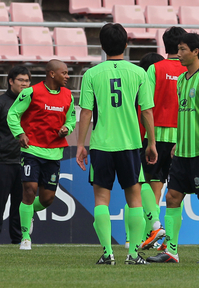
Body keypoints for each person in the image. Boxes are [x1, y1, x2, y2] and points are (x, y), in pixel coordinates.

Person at [76, 23, 157, 265]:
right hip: (131, 145)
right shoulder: (139, 73)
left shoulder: (91, 73)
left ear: (101, 46)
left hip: (101, 145)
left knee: (101, 200)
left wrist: (81, 144)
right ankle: (132, 255)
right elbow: (147, 112)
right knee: (135, 200)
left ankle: (107, 253)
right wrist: (151, 142)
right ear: (126, 45)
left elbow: (86, 113)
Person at [146, 32, 199, 264]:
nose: (178, 54)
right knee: (172, 197)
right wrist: (178, 144)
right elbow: (184, 116)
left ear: (195, 52)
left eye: (183, 50)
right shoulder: (182, 80)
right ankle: (171, 251)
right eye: (178, 49)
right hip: (182, 151)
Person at [7, 60, 76, 250]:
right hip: (32, 150)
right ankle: (26, 237)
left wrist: (66, 128)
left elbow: (71, 119)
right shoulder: (31, 92)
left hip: (53, 153)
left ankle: (27, 214)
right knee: (29, 190)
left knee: (47, 199)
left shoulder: (68, 95)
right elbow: (13, 114)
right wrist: (20, 134)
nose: (68, 76)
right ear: (52, 74)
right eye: (64, 73)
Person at [137, 27, 188, 251]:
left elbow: (145, 106)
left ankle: (154, 230)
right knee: (176, 194)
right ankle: (168, 243)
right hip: (183, 140)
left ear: (164, 44)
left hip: (154, 138)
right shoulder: (192, 72)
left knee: (150, 188)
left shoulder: (155, 69)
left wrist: (145, 139)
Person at [123, 51, 165, 250]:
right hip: (150, 142)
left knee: (136, 190)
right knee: (144, 190)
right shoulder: (149, 86)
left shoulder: (137, 85)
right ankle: (152, 233)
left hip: (135, 142)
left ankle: (134, 238)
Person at [0, 66, 31, 244]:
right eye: (21, 80)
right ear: (11, 81)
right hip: (3, 161)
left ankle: (18, 240)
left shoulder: (31, 103)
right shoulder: (2, 102)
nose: (24, 84)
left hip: (25, 160)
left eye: (27, 81)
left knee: (21, 205)